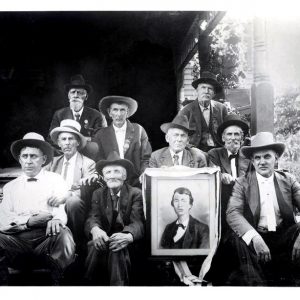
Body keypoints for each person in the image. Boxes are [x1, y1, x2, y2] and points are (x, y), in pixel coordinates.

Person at [0, 132, 75, 285]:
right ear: (19, 159)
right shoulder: (9, 187)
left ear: (44, 160)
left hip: (46, 240)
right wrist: (28, 221)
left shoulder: (55, 180)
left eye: (34, 156)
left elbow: (60, 209)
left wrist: (57, 219)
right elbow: (4, 221)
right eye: (25, 156)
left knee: (63, 233)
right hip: (18, 242)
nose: (28, 161)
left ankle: (57, 278)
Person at [226, 132, 300, 285]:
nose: (262, 162)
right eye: (257, 158)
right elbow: (233, 213)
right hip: (257, 238)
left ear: (276, 158)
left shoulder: (288, 180)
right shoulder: (242, 183)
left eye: (267, 156)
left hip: (283, 237)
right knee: (237, 238)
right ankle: (258, 288)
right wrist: (254, 237)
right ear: (252, 161)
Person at [84, 151, 145, 285]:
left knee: (118, 248)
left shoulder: (135, 193)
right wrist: (95, 229)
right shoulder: (98, 194)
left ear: (124, 176)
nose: (112, 176)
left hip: (128, 244)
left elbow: (138, 221)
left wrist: (128, 236)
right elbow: (93, 216)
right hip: (105, 238)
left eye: (116, 172)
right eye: (108, 173)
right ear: (103, 177)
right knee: (95, 245)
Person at [46, 119, 98, 249]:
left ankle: (76, 244)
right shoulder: (52, 163)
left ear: (78, 142)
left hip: (76, 208)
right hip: (53, 204)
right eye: (63, 139)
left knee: (72, 202)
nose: (67, 143)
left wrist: (67, 195)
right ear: (58, 143)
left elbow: (86, 189)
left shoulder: (88, 163)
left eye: (71, 139)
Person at [93, 95, 152, 187]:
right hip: (110, 181)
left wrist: (144, 174)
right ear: (109, 112)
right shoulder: (100, 134)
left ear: (127, 112)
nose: (119, 114)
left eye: (122, 110)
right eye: (115, 110)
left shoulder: (138, 130)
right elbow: (98, 159)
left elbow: (146, 158)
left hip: (135, 181)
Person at [208, 114, 251, 233]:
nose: (233, 138)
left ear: (242, 139)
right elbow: (212, 174)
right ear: (223, 138)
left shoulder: (248, 156)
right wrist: (221, 176)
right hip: (223, 203)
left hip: (245, 202)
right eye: (229, 134)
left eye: (237, 134)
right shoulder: (214, 154)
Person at [49, 74, 107, 160]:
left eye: (79, 92)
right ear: (68, 96)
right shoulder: (59, 114)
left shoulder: (96, 115)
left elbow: (101, 138)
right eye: (73, 92)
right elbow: (51, 137)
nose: (75, 95)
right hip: (63, 152)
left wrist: (83, 140)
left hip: (86, 153)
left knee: (93, 147)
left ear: (86, 97)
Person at [176, 71, 228, 152]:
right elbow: (178, 134)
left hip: (219, 149)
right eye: (203, 88)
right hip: (195, 150)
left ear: (214, 93)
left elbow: (228, 131)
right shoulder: (186, 111)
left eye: (210, 89)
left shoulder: (222, 109)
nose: (206, 91)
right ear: (197, 91)